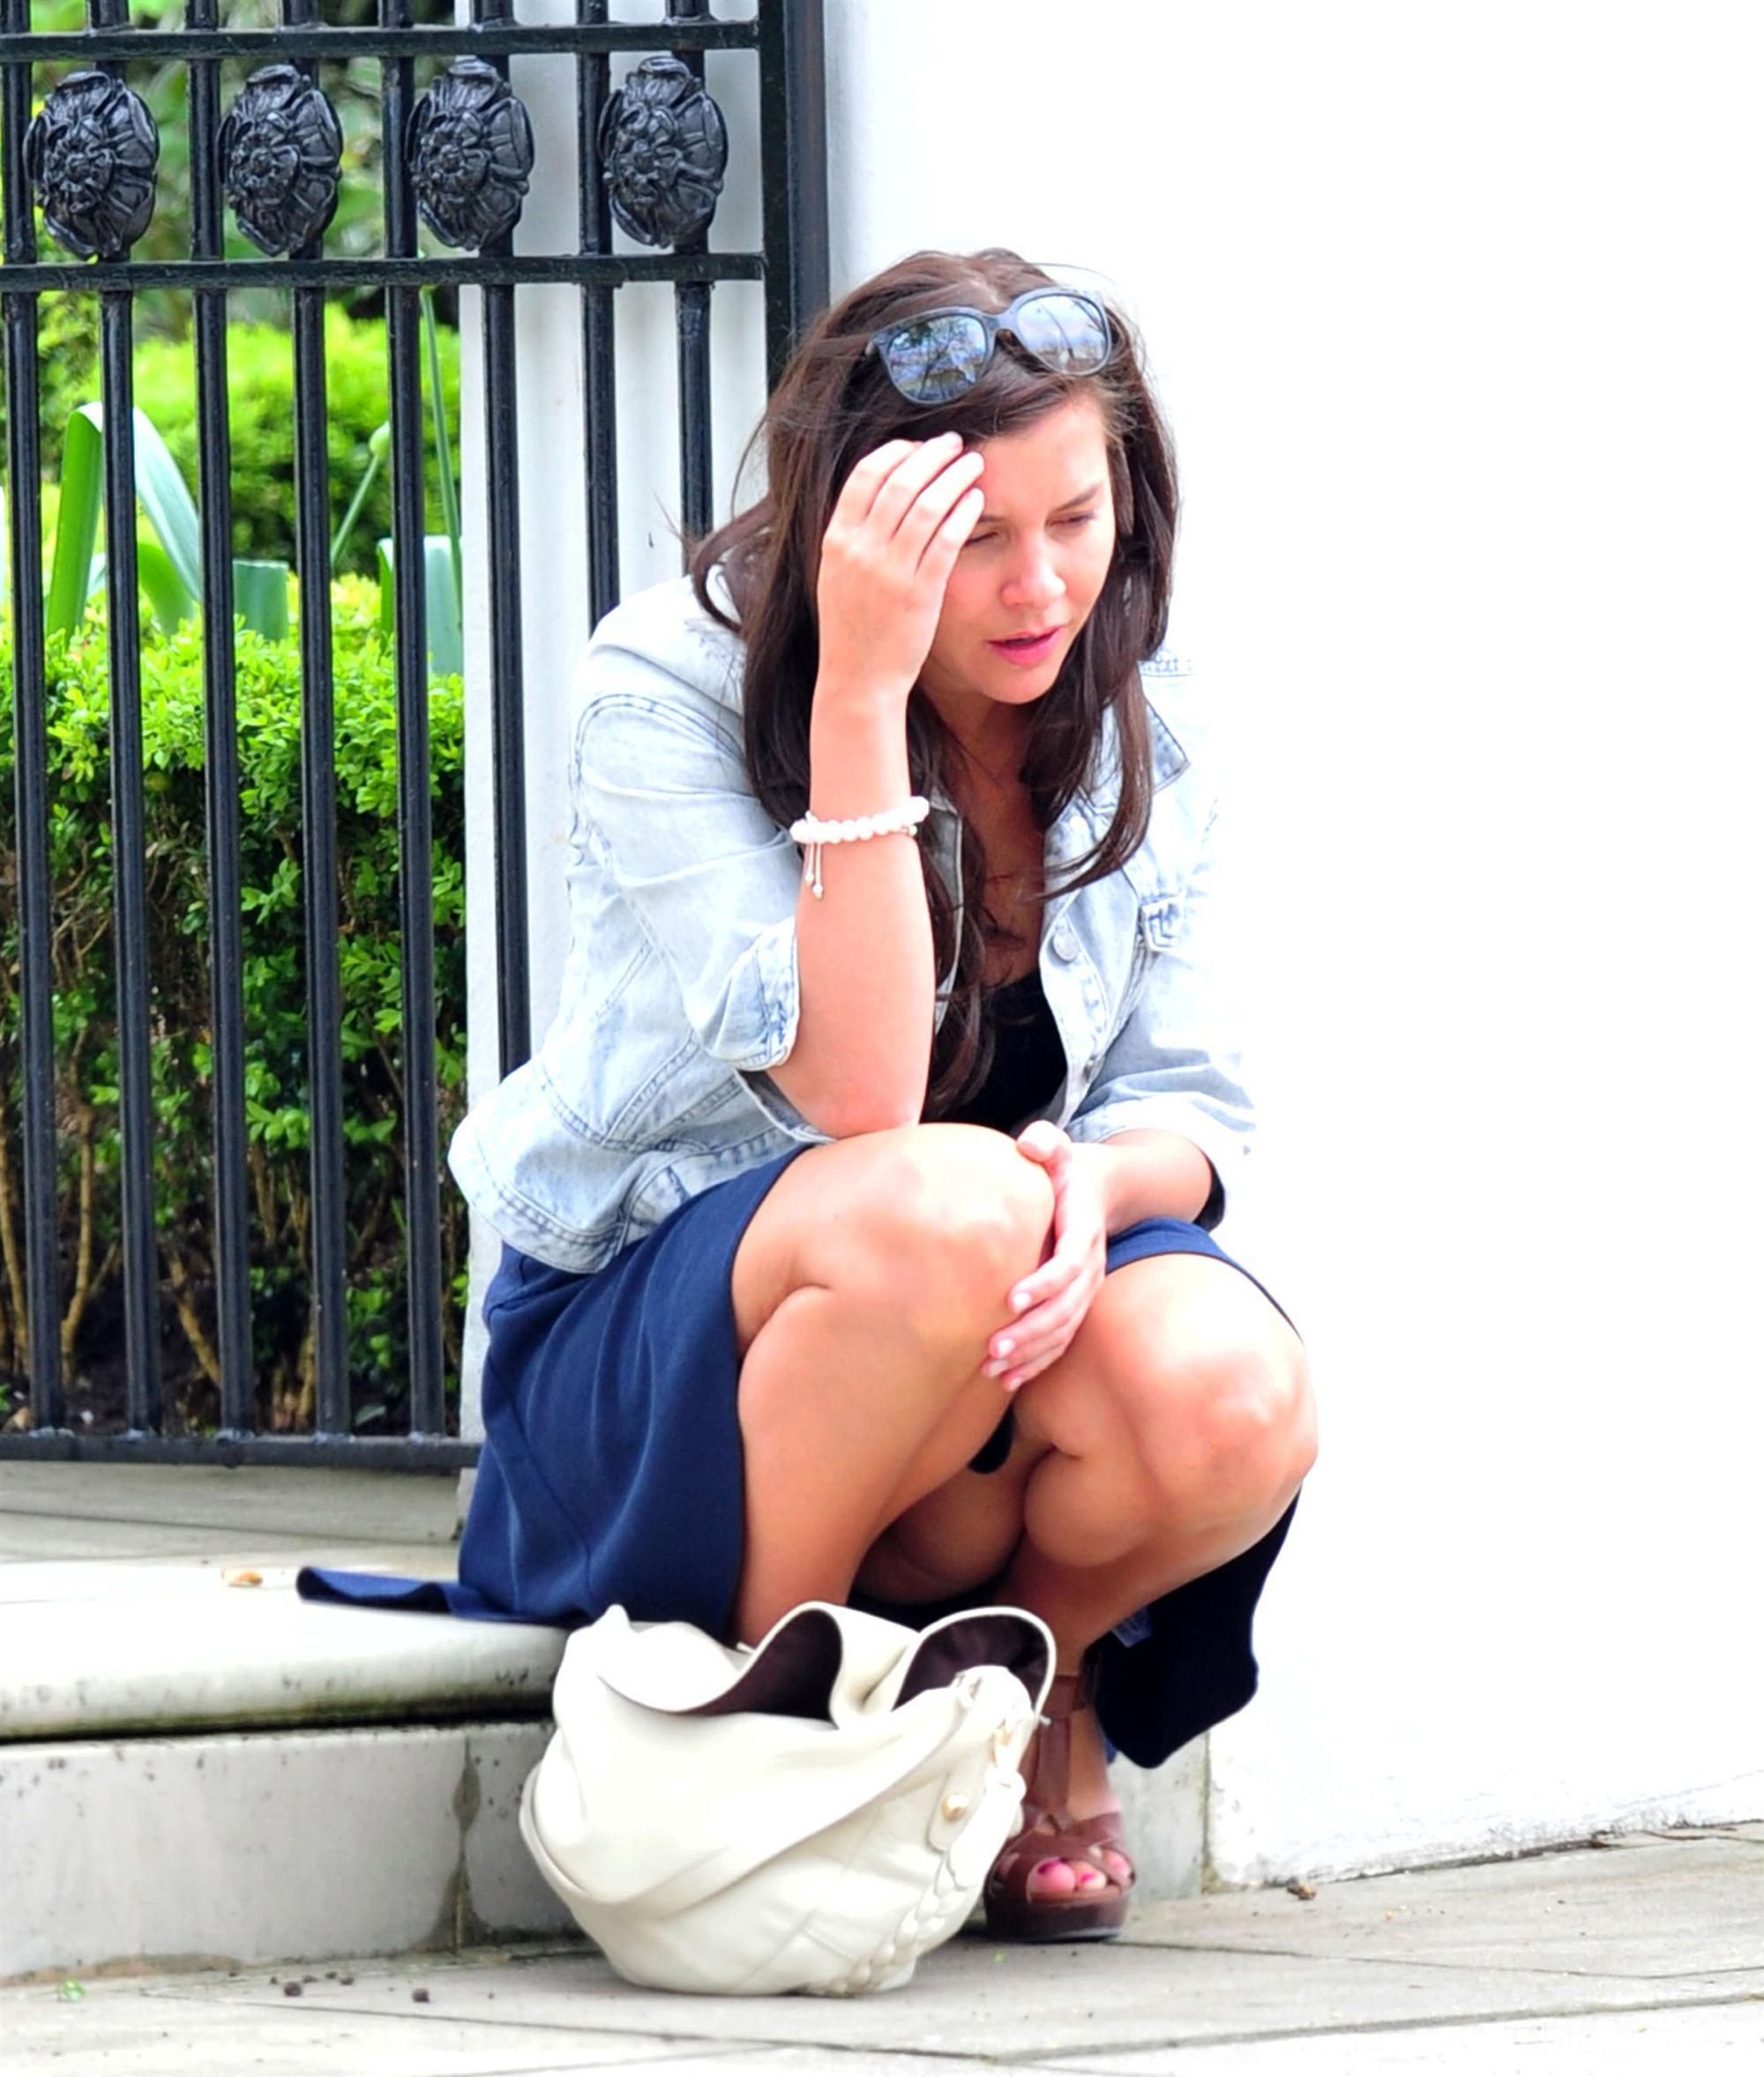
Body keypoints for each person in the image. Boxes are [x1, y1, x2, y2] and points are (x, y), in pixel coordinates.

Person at [309, 248, 1315, 1944]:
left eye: (1076, 521)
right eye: (975, 537)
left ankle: (1027, 1693)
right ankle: (782, 1724)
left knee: (1232, 1386)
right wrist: (860, 693)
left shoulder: (1150, 714)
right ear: (859, 524)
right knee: (952, 1200)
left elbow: (1194, 1107)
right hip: (668, 1356)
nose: (1039, 587)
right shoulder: (665, 685)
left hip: (976, 1333)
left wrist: (1096, 1192)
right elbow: (859, 1094)